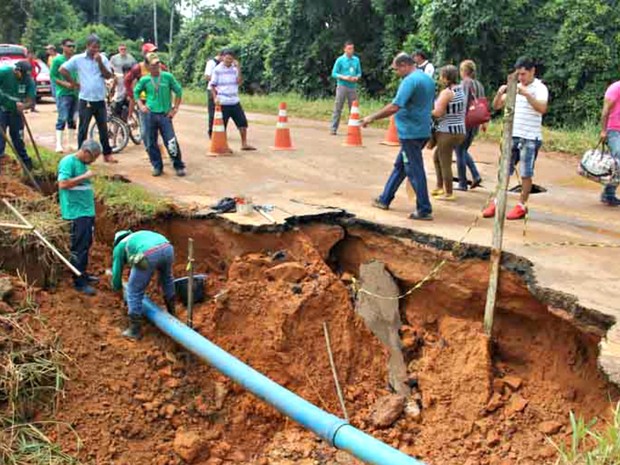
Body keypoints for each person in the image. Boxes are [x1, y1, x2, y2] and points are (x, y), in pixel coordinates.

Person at [361, 52, 435, 221]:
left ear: (404, 65)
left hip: (410, 132)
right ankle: (385, 198)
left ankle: (424, 208)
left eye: (396, 69)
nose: (396, 73)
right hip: (422, 129)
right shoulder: (427, 79)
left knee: (413, 169)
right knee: (401, 165)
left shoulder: (409, 81)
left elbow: (395, 106)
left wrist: (371, 117)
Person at [486, 57, 549, 220]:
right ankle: (497, 200)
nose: (521, 77)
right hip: (512, 134)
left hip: (530, 136)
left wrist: (527, 95)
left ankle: (522, 204)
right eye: (519, 74)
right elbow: (497, 106)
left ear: (532, 71)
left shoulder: (540, 88)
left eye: (524, 74)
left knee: (526, 173)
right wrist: (500, 92)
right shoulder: (515, 86)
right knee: (504, 170)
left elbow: (542, 108)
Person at [60, 34, 117, 163]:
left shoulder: (103, 59)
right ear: (87, 46)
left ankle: (107, 154)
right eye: (93, 48)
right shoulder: (78, 59)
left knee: (103, 127)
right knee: (83, 128)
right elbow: (62, 70)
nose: (95, 50)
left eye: (97, 48)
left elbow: (108, 76)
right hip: (85, 99)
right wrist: (73, 83)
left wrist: (100, 63)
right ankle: (81, 154)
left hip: (99, 98)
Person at [111, 229, 177, 340]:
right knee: (167, 279)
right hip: (167, 248)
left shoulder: (119, 246)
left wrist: (117, 288)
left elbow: (116, 273)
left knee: (133, 290)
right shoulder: (138, 236)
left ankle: (134, 330)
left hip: (148, 253)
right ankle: (172, 313)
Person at [57, 140, 103, 296]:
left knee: (86, 244)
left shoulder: (82, 164)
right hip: (76, 213)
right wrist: (84, 176)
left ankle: (82, 273)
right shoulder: (68, 162)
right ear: (86, 152)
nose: (94, 161)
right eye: (94, 157)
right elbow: (63, 184)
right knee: (79, 248)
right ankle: (79, 282)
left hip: (86, 212)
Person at [134, 53, 186, 177]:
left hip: (165, 115)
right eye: (153, 65)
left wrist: (175, 109)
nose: (156, 67)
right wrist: (141, 106)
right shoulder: (145, 79)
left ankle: (178, 165)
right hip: (150, 114)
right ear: (147, 66)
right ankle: (157, 166)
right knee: (150, 141)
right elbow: (136, 92)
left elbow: (178, 91)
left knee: (171, 140)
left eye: (158, 64)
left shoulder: (168, 77)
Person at [431, 65, 466, 201]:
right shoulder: (460, 89)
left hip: (447, 131)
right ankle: (440, 186)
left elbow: (438, 112)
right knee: (437, 157)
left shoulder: (446, 92)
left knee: (444, 161)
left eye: (441, 76)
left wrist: (425, 113)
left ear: (445, 78)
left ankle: (449, 192)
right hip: (459, 130)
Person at [210, 49, 256, 151]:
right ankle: (224, 146)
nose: (228, 60)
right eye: (227, 58)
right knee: (223, 125)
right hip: (223, 101)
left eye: (231, 59)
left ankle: (244, 144)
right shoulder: (217, 70)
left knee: (242, 123)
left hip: (234, 100)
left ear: (233, 59)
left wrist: (238, 68)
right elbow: (212, 85)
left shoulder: (235, 69)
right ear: (223, 58)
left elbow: (239, 82)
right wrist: (215, 97)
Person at [125, 43, 164, 154]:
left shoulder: (161, 67)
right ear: (145, 54)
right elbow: (127, 80)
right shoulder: (138, 68)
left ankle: (158, 152)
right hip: (144, 102)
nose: (154, 54)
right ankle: (151, 152)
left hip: (158, 102)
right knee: (145, 131)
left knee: (160, 128)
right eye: (151, 52)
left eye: (155, 52)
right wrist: (132, 95)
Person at [454, 60, 484, 191]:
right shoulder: (479, 85)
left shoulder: (465, 83)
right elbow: (482, 103)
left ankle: (462, 183)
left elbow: (464, 103)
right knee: (463, 150)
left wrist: (459, 120)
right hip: (475, 121)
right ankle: (475, 175)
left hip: (465, 121)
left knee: (459, 151)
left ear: (464, 71)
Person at [0, 61, 36, 170]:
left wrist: (24, 106)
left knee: (18, 138)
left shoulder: (29, 81)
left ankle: (25, 162)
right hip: (2, 108)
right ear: (16, 70)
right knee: (1, 136)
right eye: (23, 74)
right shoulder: (4, 72)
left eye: (26, 75)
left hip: (16, 113)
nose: (24, 77)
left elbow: (31, 101)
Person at [50, 38, 78, 153]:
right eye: (69, 46)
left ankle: (71, 143)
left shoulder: (75, 59)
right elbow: (53, 76)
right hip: (63, 92)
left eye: (73, 46)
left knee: (73, 119)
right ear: (63, 47)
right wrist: (64, 84)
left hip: (75, 92)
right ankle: (59, 144)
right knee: (63, 117)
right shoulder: (58, 60)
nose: (71, 48)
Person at [329, 41, 362, 135]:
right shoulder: (340, 60)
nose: (351, 51)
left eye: (352, 48)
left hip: (352, 86)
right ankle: (333, 128)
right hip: (342, 85)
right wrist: (344, 77)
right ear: (345, 49)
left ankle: (354, 128)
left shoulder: (356, 60)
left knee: (353, 108)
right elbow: (334, 73)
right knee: (338, 107)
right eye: (349, 48)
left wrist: (357, 77)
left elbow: (359, 72)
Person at [599, 78, 620, 206]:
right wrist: (603, 130)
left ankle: (609, 193)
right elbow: (605, 110)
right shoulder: (615, 88)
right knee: (618, 160)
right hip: (614, 130)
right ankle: (609, 193)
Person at [204, 51, 221, 139]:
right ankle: (211, 131)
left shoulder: (223, 64)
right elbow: (207, 76)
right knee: (212, 112)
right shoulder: (211, 63)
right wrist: (218, 79)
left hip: (222, 91)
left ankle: (220, 131)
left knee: (222, 113)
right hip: (212, 89)